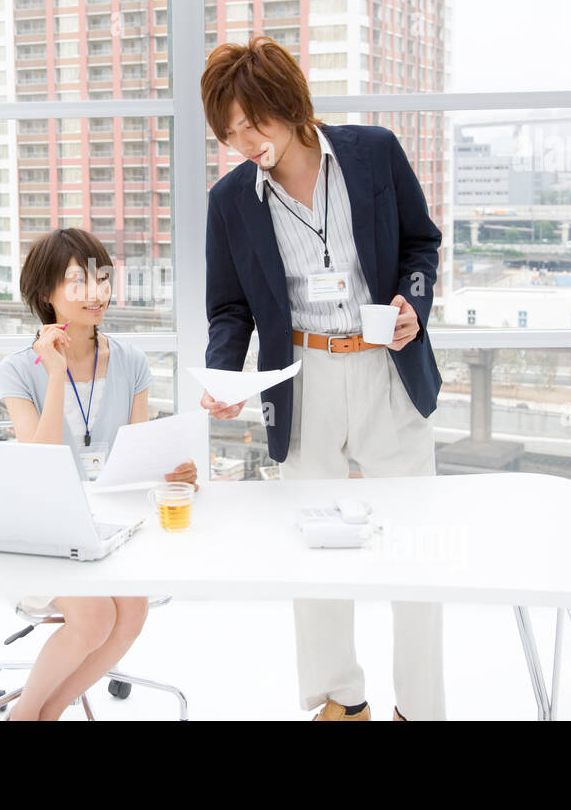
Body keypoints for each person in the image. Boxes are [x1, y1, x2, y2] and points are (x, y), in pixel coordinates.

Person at [199, 36, 445, 721]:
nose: (244, 141)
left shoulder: (373, 153)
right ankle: (341, 700)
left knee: (415, 550)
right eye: (230, 132)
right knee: (315, 550)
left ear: (292, 106)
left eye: (255, 123)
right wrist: (224, 374)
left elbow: (422, 242)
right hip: (301, 383)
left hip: (385, 372)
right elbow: (230, 308)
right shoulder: (232, 200)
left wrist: (412, 306)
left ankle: (421, 709)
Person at [0, 227, 198, 721]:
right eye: (76, 281)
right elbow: (37, 464)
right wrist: (56, 374)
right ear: (46, 293)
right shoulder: (18, 369)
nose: (95, 293)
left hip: (111, 526)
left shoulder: (130, 361)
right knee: (95, 616)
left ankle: (50, 711)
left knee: (132, 613)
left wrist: (171, 472)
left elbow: (137, 458)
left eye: (101, 278)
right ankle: (25, 715)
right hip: (44, 527)